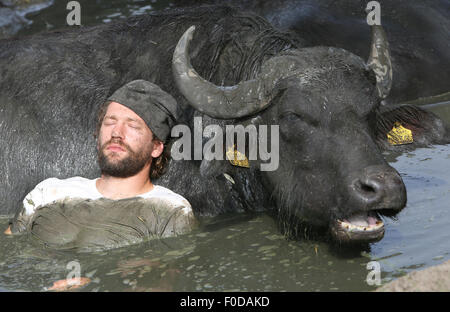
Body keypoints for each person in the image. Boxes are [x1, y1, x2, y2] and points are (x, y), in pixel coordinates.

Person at [4, 80, 194, 238]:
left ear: (156, 147)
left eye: (133, 126)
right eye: (110, 122)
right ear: (98, 136)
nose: (116, 133)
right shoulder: (47, 192)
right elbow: (10, 253)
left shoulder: (171, 210)